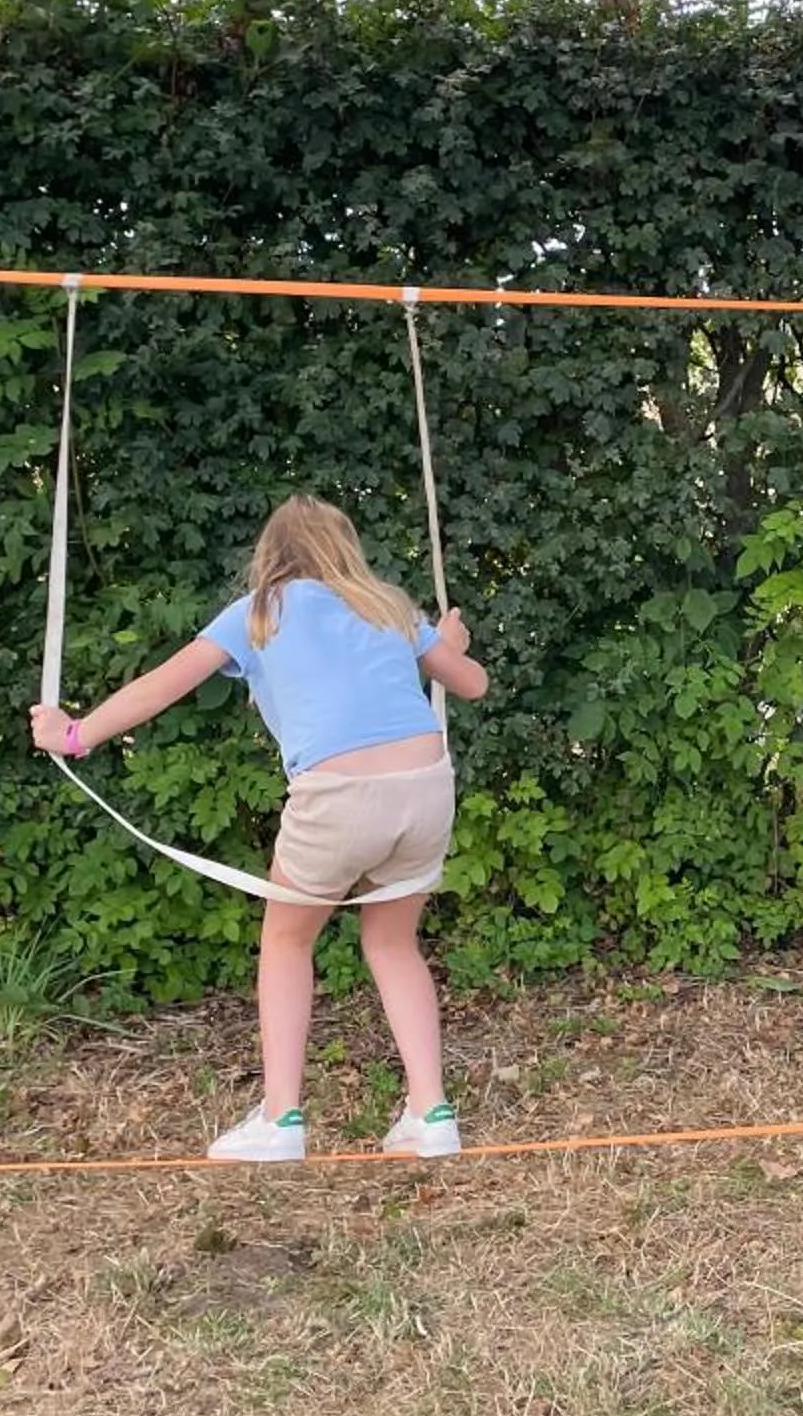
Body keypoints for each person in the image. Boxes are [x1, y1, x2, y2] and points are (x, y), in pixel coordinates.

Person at [30, 495, 489, 1161]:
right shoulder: (389, 606)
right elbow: (470, 683)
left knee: (286, 941)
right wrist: (448, 646)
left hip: (338, 795)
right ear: (346, 548)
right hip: (425, 789)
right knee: (392, 944)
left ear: (271, 556)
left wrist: (74, 734)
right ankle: (431, 1113)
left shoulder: (260, 612)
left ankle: (282, 1120)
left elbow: (162, 685)